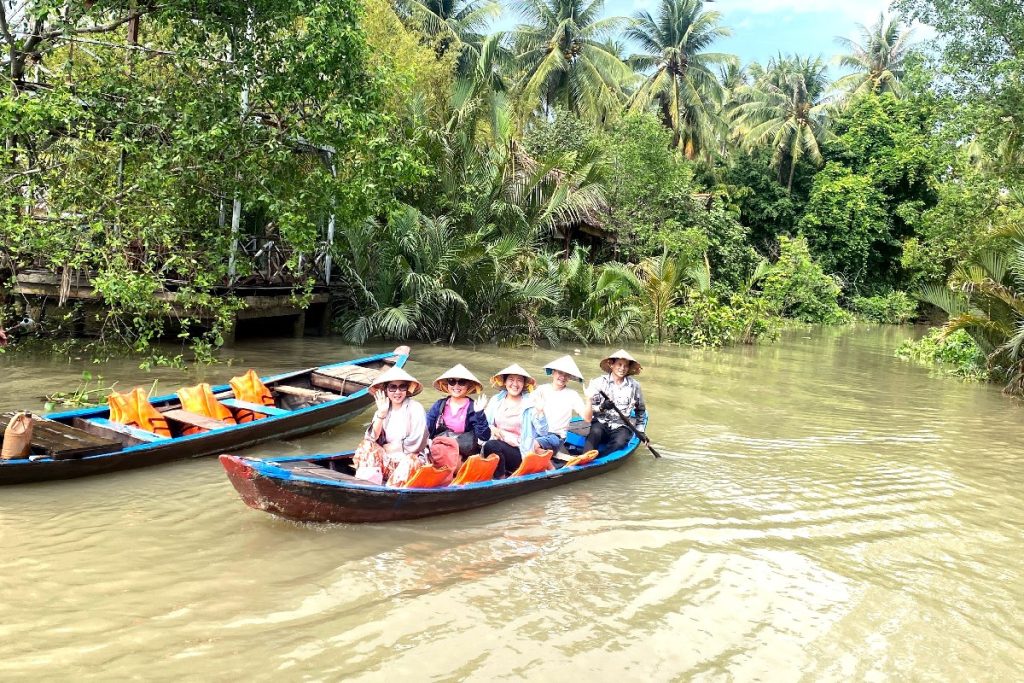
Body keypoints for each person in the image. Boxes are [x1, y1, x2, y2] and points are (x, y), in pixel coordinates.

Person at [355, 366, 429, 486]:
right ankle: (369, 485)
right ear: (385, 390)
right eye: (393, 387)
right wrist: (381, 414)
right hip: (387, 461)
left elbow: (418, 442)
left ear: (407, 389)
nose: (398, 392)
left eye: (402, 387)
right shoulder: (383, 409)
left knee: (409, 461)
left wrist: (391, 447)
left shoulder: (415, 408)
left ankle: (391, 492)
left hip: (410, 462)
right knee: (366, 446)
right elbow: (371, 439)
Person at [482, 363, 548, 478]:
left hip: (520, 452)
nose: (515, 384)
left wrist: (540, 412)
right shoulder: (496, 400)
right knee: (487, 444)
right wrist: (492, 428)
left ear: (523, 384)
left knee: (491, 445)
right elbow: (485, 424)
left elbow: (543, 432)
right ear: (505, 382)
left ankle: (500, 480)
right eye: (511, 380)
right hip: (498, 447)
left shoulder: (530, 403)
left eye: (519, 380)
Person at [584, 349, 647, 455]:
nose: (622, 368)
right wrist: (602, 407)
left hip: (622, 425)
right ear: (611, 365)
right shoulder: (598, 383)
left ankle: (601, 458)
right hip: (601, 422)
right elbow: (588, 411)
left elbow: (640, 410)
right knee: (595, 433)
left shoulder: (634, 386)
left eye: (626, 366)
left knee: (619, 443)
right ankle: (584, 457)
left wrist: (640, 430)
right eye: (619, 364)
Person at [531, 354, 593, 455]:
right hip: (537, 432)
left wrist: (589, 399)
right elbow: (526, 407)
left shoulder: (572, 394)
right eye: (560, 372)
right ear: (553, 372)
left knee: (532, 445)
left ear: (569, 377)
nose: (563, 377)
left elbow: (587, 418)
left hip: (555, 437)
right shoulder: (542, 389)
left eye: (566, 374)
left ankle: (548, 458)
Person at [425, 364, 491, 455]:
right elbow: (427, 427)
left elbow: (484, 436)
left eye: (462, 382)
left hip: (463, 452)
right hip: (440, 448)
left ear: (468, 385)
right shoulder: (440, 405)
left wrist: (480, 413)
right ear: (447, 384)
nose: (456, 386)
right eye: (452, 381)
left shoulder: (473, 407)